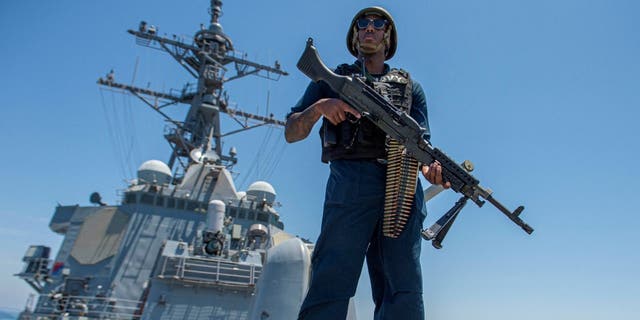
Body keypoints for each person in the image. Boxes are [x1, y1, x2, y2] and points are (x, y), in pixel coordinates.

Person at [285, 6, 449, 320]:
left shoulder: (411, 89)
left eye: (378, 24)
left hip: (400, 186)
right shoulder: (333, 80)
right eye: (363, 23)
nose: (369, 28)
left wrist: (434, 172)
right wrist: (321, 106)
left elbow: (422, 150)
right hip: (351, 182)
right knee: (331, 277)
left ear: (389, 36)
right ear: (355, 33)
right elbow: (292, 132)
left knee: (403, 288)